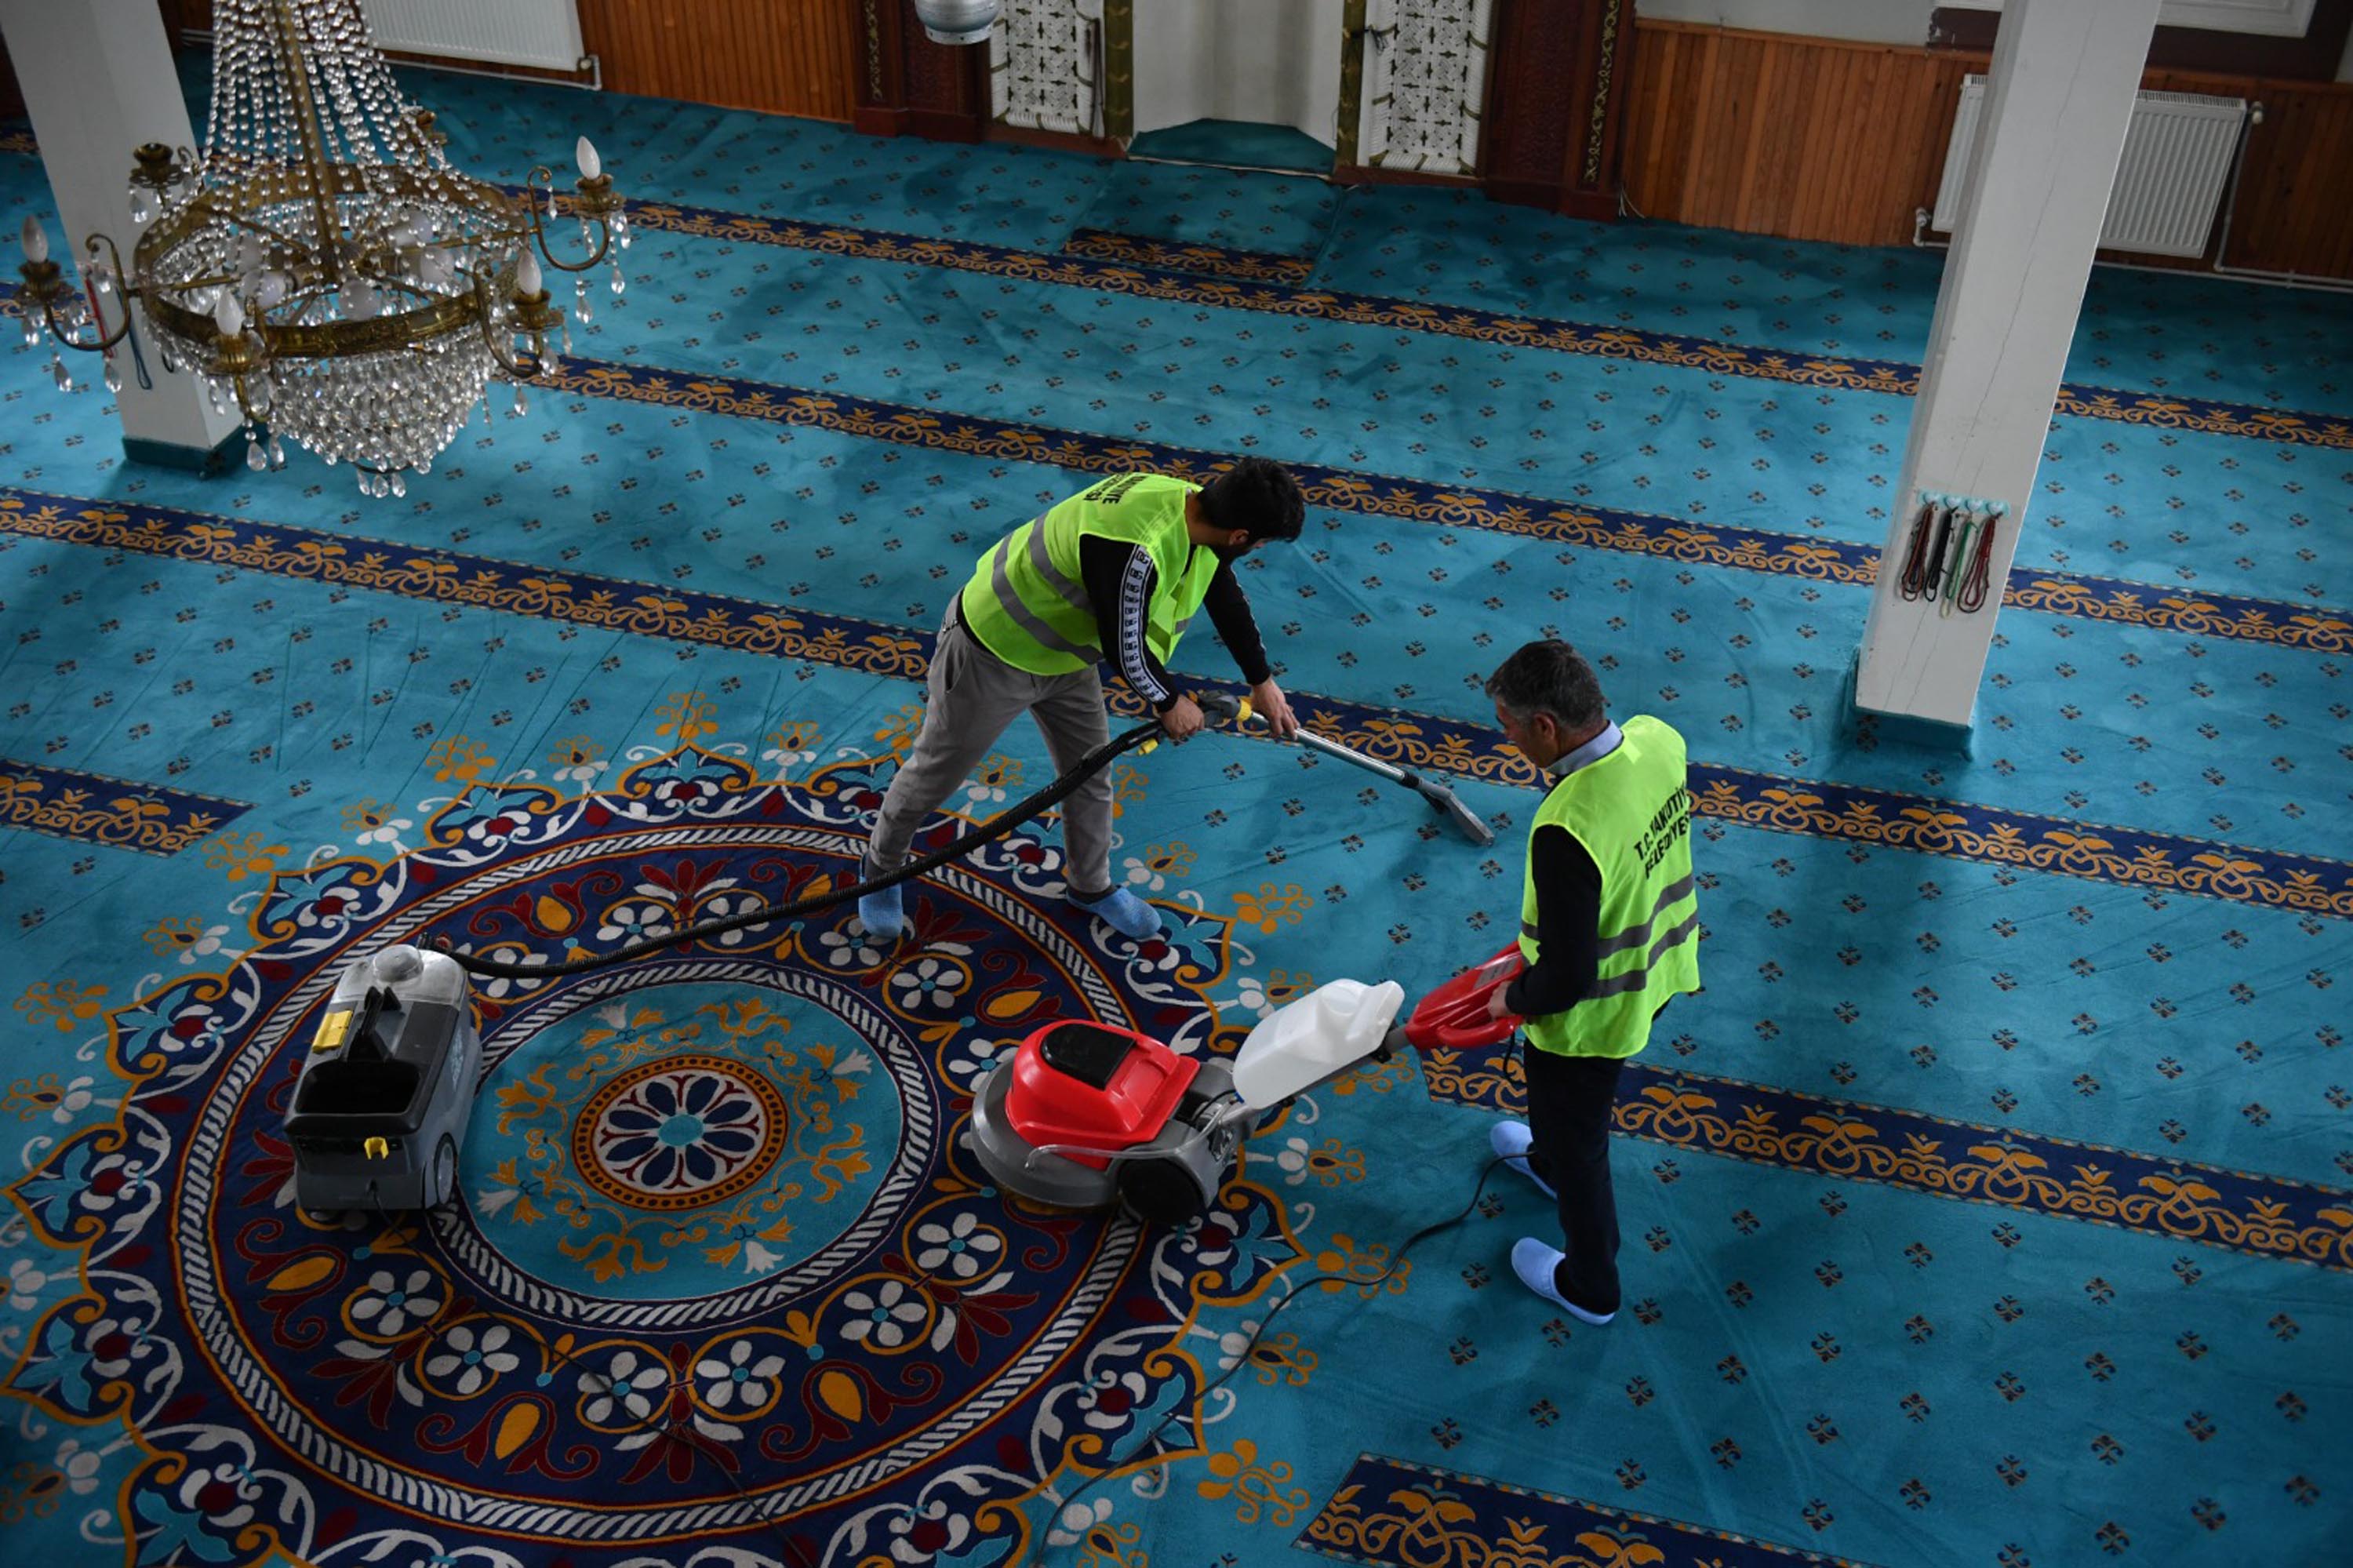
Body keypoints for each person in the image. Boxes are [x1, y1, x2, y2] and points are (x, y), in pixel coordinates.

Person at [859, 460, 1307, 944]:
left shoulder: (1197, 506)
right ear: (1239, 535)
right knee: (935, 774)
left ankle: (1090, 886)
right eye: (1260, 543)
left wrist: (1261, 680)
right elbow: (1124, 645)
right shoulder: (1135, 547)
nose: (1255, 551)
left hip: (1067, 658)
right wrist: (1169, 702)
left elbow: (1220, 588)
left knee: (1090, 773)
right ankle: (881, 868)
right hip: (993, 651)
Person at [1482, 639, 1700, 1325]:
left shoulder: (1567, 826)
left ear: (1546, 725)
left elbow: (1569, 976)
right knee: (1560, 1123)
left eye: (1508, 725)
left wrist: (1512, 999)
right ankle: (1545, 1160)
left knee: (1582, 1144)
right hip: (1660, 970)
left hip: (1593, 1017)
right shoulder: (1659, 740)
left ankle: (1590, 1284)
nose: (1506, 738)